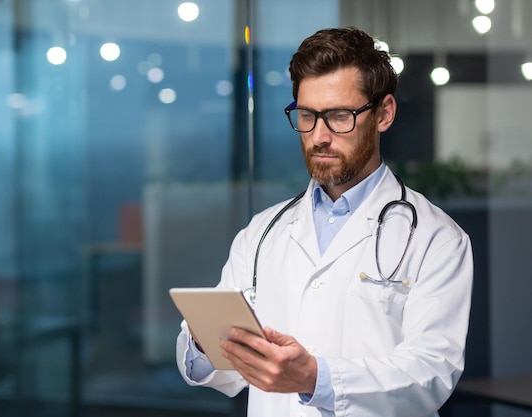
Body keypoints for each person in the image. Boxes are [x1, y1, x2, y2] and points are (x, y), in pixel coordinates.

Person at [175, 26, 473, 417]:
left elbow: (432, 373)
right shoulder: (263, 232)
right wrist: (203, 342)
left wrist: (316, 377)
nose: (318, 136)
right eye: (306, 115)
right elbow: (226, 373)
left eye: (338, 116)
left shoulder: (436, 238)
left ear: (383, 113)